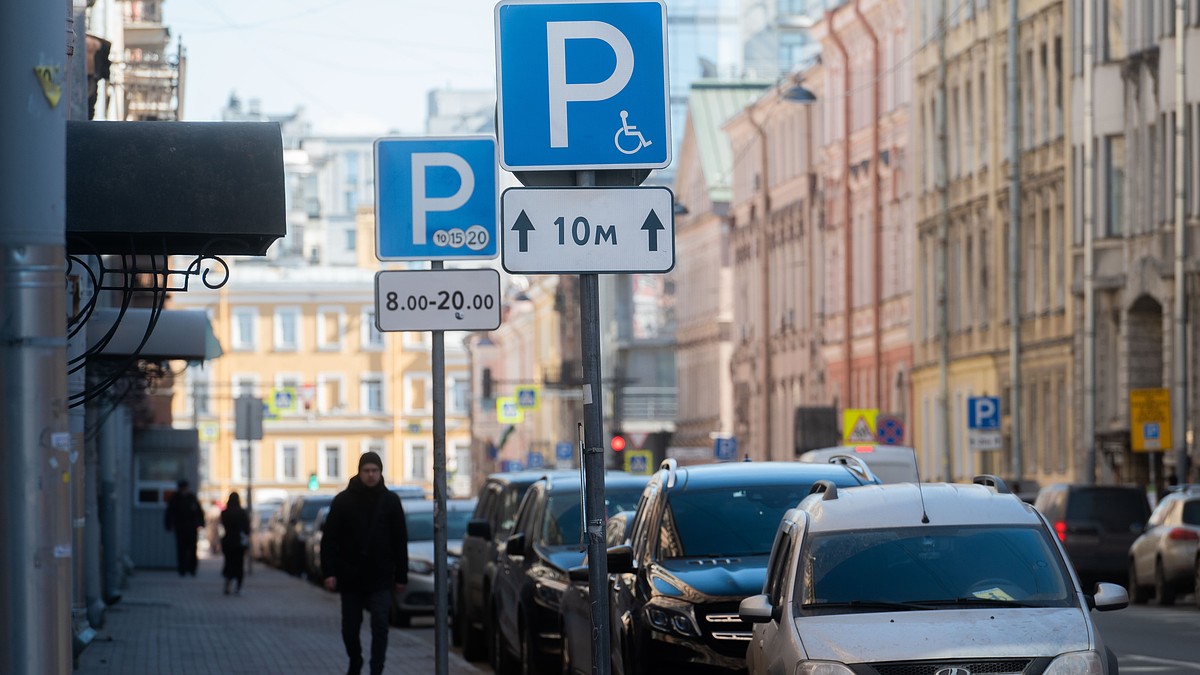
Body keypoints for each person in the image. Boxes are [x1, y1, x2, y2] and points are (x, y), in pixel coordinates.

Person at [321, 451, 408, 675]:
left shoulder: (390, 501)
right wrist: (329, 572)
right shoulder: (343, 501)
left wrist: (401, 576)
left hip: (380, 576)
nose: (370, 475)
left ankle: (376, 668)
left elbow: (400, 540)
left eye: (374, 471)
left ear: (380, 472)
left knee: (380, 625)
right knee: (349, 629)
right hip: (350, 577)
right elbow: (329, 539)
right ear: (359, 472)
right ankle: (356, 659)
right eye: (366, 471)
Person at [164, 479, 204, 576]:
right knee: (181, 549)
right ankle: (182, 569)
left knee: (192, 549)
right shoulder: (175, 498)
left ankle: (192, 569)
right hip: (180, 527)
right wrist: (169, 525)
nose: (184, 490)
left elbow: (199, 511)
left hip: (191, 527)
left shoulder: (191, 498)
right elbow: (169, 513)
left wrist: (201, 523)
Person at [220, 492, 251, 595]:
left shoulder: (225, 512)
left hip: (228, 541)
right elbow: (247, 529)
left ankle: (227, 584)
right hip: (239, 542)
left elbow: (223, 525)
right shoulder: (242, 512)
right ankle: (238, 587)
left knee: (229, 563)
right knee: (239, 565)